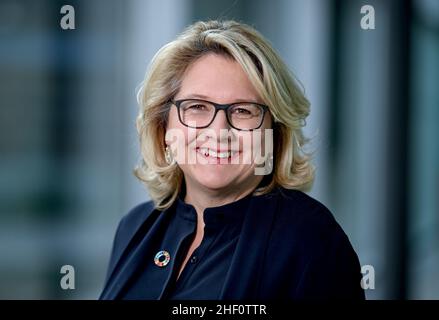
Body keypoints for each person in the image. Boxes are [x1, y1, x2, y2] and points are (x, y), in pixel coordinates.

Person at [99, 20, 365, 300]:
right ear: (164, 126)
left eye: (243, 111)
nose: (219, 132)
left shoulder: (311, 240)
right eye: (197, 107)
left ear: (274, 132)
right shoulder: (135, 227)